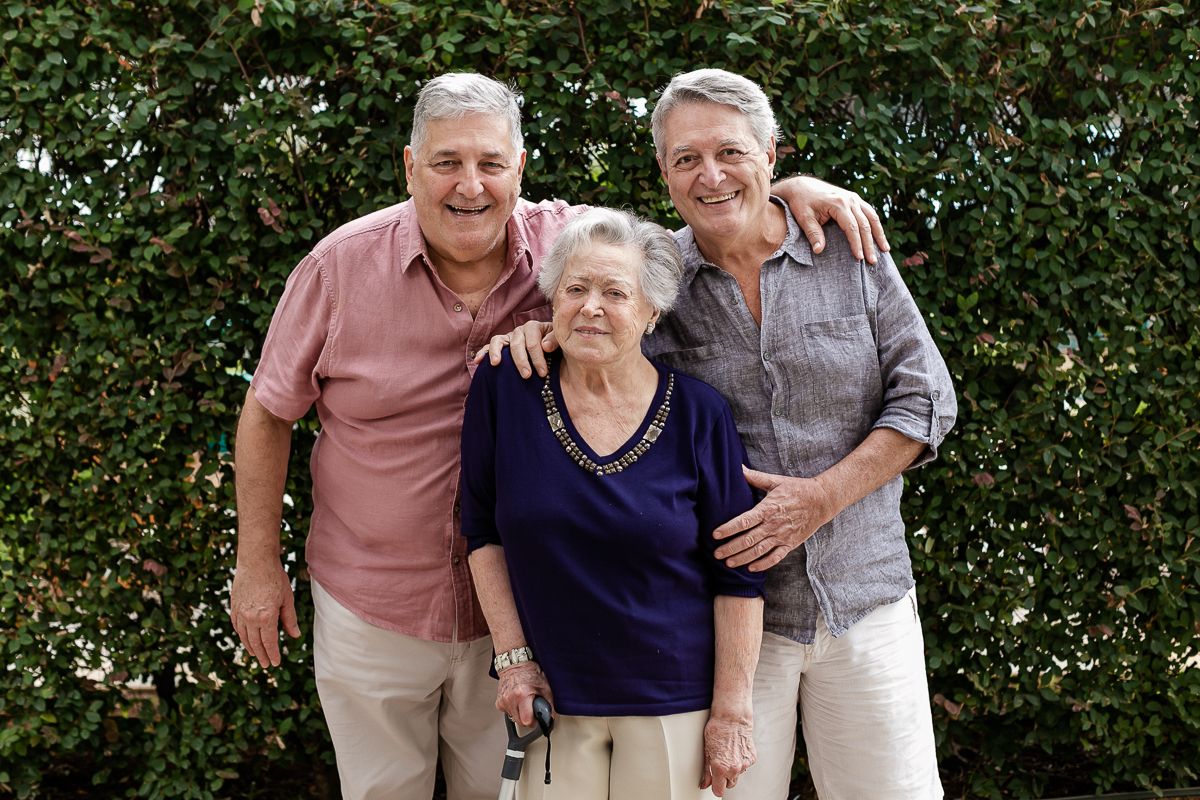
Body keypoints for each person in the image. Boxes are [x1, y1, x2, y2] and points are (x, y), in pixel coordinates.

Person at [228, 70, 891, 800]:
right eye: (446, 162)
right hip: (377, 603)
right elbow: (267, 412)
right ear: (410, 167)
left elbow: (672, 233)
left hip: (517, 626)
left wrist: (791, 193)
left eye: (490, 163)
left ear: (520, 167)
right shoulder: (337, 269)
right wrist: (257, 563)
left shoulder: (565, 239)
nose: (469, 186)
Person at [495, 68, 957, 800]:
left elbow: (927, 399)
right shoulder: (655, 283)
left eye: (731, 152)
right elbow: (595, 320)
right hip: (735, 629)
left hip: (866, 599)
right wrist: (541, 327)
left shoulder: (845, 247)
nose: (709, 175)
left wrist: (822, 497)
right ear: (664, 172)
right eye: (686, 158)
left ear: (771, 153)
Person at [462, 208, 765, 799]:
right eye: (575, 288)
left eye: (615, 292)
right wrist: (514, 660)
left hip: (673, 701)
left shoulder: (701, 415)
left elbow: (738, 573)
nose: (590, 306)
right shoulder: (504, 389)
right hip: (550, 697)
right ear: (552, 300)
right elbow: (481, 531)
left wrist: (732, 710)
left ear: (652, 311)